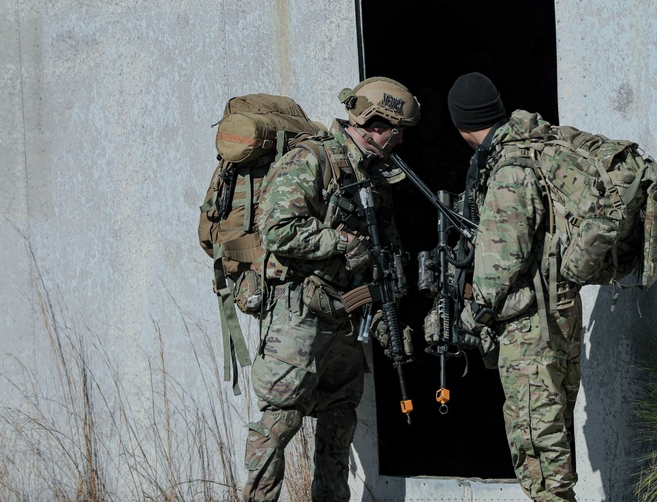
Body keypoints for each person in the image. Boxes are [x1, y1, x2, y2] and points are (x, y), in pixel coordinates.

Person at [242, 77, 420, 502]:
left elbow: (382, 253)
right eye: (398, 132)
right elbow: (276, 230)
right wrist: (340, 243)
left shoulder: (375, 176)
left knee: (340, 419)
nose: (399, 142)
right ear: (380, 124)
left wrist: (385, 316)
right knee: (280, 420)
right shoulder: (312, 159)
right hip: (296, 313)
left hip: (344, 314)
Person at [448, 72, 582, 502]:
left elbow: (500, 261)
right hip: (559, 311)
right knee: (554, 432)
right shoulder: (536, 149)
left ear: (461, 124)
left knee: (538, 449)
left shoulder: (509, 170)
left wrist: (472, 315)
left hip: (530, 329)